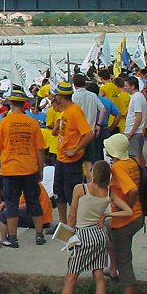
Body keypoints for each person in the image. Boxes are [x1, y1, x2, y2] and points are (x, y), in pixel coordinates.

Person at [35, 160, 132, 294]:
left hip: (83, 235)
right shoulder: (108, 192)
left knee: (71, 278)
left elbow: (72, 216)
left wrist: (68, 236)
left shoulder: (81, 189)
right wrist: (107, 215)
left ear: (94, 172)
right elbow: (128, 211)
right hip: (100, 235)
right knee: (99, 276)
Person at [0, 89, 47, 248]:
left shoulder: (4, 123)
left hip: (10, 169)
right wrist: (40, 169)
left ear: (11, 103)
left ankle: (13, 238)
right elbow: (40, 150)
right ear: (24, 105)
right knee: (34, 202)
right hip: (30, 168)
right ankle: (39, 235)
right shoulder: (33, 123)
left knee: (11, 204)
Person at [103, 133, 145, 294]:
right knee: (108, 228)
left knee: (125, 263)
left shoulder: (118, 168)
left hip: (126, 221)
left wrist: (127, 207)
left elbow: (133, 190)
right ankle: (113, 269)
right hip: (137, 217)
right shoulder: (132, 163)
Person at [51, 81, 94, 228]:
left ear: (61, 96)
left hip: (71, 160)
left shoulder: (75, 111)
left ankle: (75, 223)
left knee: (72, 193)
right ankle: (63, 224)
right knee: (58, 192)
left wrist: (75, 150)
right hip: (61, 158)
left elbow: (88, 134)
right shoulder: (66, 111)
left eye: (56, 95)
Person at [122, 76, 147, 166]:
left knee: (134, 156)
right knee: (139, 154)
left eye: (126, 85)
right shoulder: (139, 96)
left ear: (133, 86)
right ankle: (143, 171)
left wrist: (131, 132)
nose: (125, 87)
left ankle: (139, 172)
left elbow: (138, 117)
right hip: (138, 131)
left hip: (134, 131)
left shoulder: (136, 98)